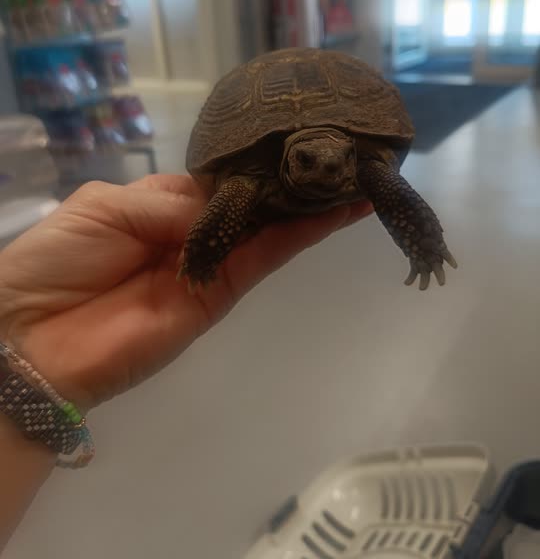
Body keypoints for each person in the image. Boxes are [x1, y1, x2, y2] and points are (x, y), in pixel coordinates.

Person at [0, 174, 371, 550]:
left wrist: (17, 329)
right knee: (239, 192)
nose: (326, 166)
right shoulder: (242, 183)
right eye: (306, 160)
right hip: (243, 183)